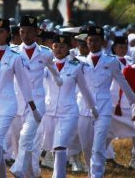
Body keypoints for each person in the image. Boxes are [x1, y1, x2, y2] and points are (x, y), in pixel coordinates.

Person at [77, 26, 135, 178]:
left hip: (104, 109)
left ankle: (97, 175)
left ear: (103, 42)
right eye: (90, 40)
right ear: (87, 42)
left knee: (98, 147)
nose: (93, 43)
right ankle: (91, 173)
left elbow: (124, 84)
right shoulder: (80, 62)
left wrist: (134, 104)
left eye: (96, 40)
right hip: (84, 109)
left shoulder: (111, 61)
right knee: (87, 148)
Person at [0, 18, 41, 178]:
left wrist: (33, 108)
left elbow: (24, 84)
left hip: (8, 104)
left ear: (8, 34)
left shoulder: (15, 56)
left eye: (1, 32)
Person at [10, 15, 62, 177]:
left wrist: (59, 80)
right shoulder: (13, 52)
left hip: (37, 101)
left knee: (27, 136)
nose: (25, 35)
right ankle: (33, 173)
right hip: (18, 100)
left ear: (37, 32)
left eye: (29, 32)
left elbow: (54, 70)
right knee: (19, 142)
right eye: (22, 32)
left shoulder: (45, 53)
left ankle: (18, 170)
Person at [40, 34, 97, 178]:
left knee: (60, 146)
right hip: (49, 112)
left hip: (68, 113)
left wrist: (93, 108)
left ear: (68, 48)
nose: (59, 49)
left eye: (63, 46)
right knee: (53, 147)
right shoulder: (46, 65)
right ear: (51, 47)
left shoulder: (76, 66)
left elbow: (84, 90)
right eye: (56, 46)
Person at [107, 36, 135, 169]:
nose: (123, 49)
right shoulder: (110, 61)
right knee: (107, 133)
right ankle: (105, 157)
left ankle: (134, 159)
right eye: (120, 47)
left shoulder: (130, 61)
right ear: (114, 48)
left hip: (127, 103)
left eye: (125, 47)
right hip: (113, 103)